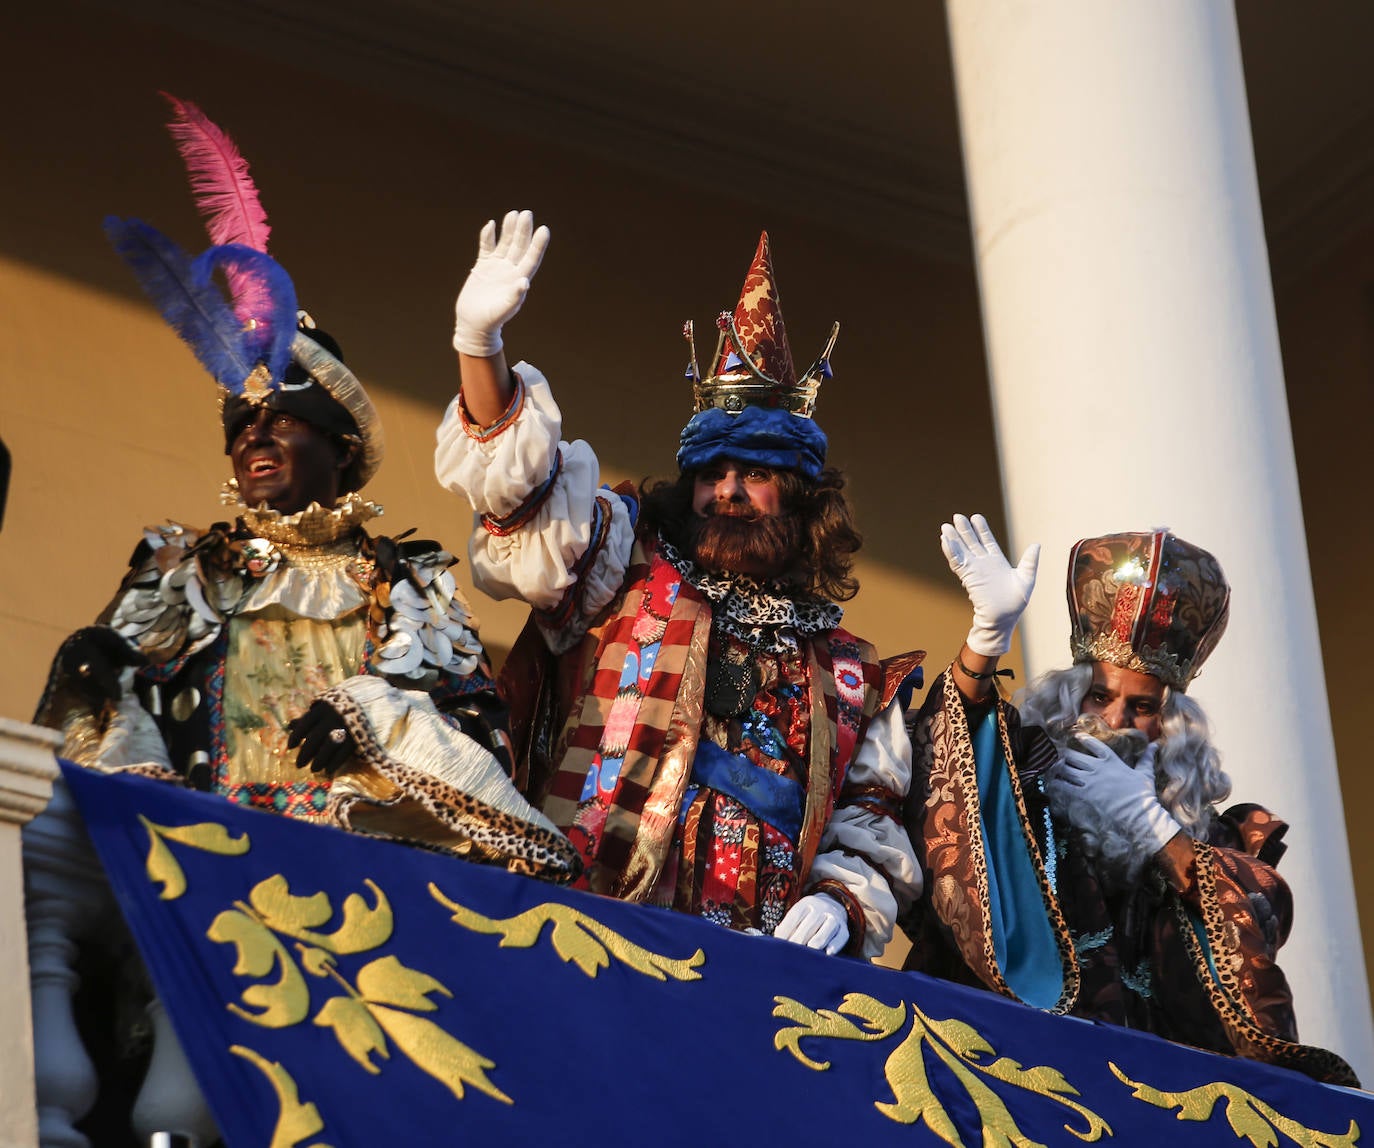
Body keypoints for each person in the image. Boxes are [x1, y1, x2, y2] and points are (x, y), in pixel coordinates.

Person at [35, 102, 576, 880]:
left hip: (362, 886)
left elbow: (482, 751)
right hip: (200, 872)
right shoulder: (181, 572)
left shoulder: (411, 584)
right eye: (241, 423)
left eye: (282, 419)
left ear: (341, 447)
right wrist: (95, 670)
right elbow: (110, 719)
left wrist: (380, 721)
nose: (254, 435)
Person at [434, 213, 923, 957]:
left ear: (800, 498)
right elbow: (522, 501)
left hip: (756, 965)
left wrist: (839, 899)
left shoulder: (854, 675)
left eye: (753, 474)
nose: (726, 490)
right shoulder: (620, 566)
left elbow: (869, 823)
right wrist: (481, 349)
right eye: (711, 474)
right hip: (586, 924)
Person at [899, 518, 1358, 1085]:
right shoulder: (1016, 790)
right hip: (1013, 1068)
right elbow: (949, 770)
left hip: (1158, 1095)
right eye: (1099, 696)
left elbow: (1260, 918)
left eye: (1142, 707)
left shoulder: (1204, 836)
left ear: (1172, 727)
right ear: (1070, 699)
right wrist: (985, 642)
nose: (1114, 720)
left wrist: (1153, 829)